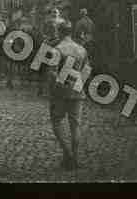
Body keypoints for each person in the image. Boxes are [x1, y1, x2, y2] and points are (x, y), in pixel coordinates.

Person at [47, 20, 89, 170]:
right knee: (75, 125)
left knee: (56, 122)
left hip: (60, 92)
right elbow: (86, 70)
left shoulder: (57, 49)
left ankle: (68, 154)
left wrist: (56, 88)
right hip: (77, 91)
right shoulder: (81, 49)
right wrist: (78, 84)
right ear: (71, 32)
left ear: (59, 31)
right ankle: (75, 158)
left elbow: (52, 73)